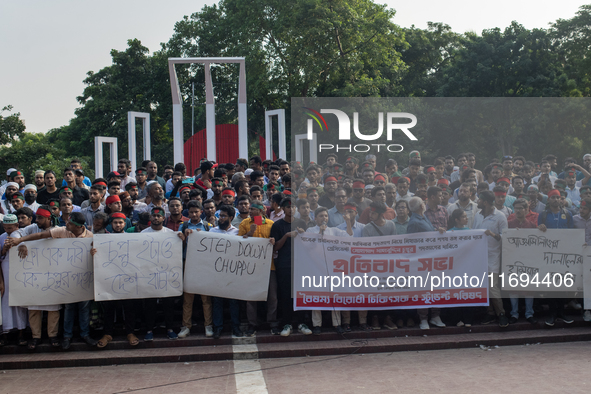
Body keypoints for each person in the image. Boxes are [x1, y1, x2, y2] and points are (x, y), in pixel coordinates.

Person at [8, 212, 97, 349]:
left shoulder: (90, 236)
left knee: (84, 308)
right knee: (68, 307)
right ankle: (67, 336)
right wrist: (20, 241)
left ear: (78, 226)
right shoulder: (61, 230)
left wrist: (94, 253)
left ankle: (85, 334)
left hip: (82, 278)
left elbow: (96, 254)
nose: (66, 224)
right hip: (63, 278)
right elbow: (40, 235)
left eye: (70, 223)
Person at [141, 207, 185, 341]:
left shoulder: (171, 233)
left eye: (158, 216)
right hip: (148, 273)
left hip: (167, 274)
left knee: (168, 303)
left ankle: (170, 329)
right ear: (150, 218)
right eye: (153, 216)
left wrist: (181, 239)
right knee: (149, 304)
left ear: (163, 218)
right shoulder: (142, 234)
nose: (156, 218)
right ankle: (149, 330)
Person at [270, 198, 313, 337]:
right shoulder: (277, 226)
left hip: (301, 263)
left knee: (300, 293)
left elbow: (309, 244)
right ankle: (286, 323)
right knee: (285, 295)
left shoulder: (301, 223)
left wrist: (303, 235)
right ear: (283, 209)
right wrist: (286, 236)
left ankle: (301, 322)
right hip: (284, 264)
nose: (291, 209)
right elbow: (275, 247)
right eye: (288, 207)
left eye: (293, 206)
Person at [406, 197, 446, 329]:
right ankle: (423, 318)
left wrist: (437, 231)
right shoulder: (414, 222)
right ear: (420, 206)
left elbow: (428, 234)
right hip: (421, 260)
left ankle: (435, 316)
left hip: (432, 258)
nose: (425, 204)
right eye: (423, 203)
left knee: (435, 288)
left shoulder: (424, 218)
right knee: (423, 290)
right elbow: (412, 242)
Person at [239, 202, 277, 336]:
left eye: (253, 209)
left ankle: (272, 322)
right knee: (251, 297)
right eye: (250, 209)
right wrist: (249, 233)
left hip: (269, 266)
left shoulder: (271, 224)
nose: (250, 211)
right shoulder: (245, 223)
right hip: (251, 266)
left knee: (272, 296)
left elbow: (276, 243)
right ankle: (252, 323)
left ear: (261, 211)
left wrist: (273, 242)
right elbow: (239, 243)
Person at [537, 189, 575, 327]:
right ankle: (552, 313)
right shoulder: (543, 215)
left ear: (561, 199)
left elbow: (572, 234)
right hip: (548, 254)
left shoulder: (568, 214)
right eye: (552, 197)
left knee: (563, 284)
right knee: (550, 284)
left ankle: (561, 312)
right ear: (548, 200)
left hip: (564, 255)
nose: (555, 200)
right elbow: (538, 233)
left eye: (557, 197)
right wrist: (539, 227)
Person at [473, 191, 510, 328]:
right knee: (483, 286)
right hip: (479, 255)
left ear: (485, 202)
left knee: (492, 286)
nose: (477, 201)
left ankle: (501, 313)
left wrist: (493, 234)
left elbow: (505, 237)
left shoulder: (500, 216)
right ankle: (490, 312)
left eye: (480, 199)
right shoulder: (477, 215)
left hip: (493, 255)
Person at [178, 201, 214, 338]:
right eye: (191, 212)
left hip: (204, 263)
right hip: (188, 262)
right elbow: (177, 246)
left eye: (196, 212)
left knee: (206, 298)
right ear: (188, 213)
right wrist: (183, 237)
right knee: (188, 298)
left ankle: (208, 325)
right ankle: (185, 326)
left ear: (201, 212)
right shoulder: (184, 226)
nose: (194, 214)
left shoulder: (207, 226)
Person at [209, 205, 244, 338]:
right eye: (220, 216)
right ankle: (218, 327)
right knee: (217, 301)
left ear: (230, 218)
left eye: (223, 216)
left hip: (233, 272)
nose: (221, 219)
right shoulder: (212, 232)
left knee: (234, 301)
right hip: (217, 272)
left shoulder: (237, 232)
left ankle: (236, 327)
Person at [506, 199, 537, 325]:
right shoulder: (508, 224)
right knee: (513, 287)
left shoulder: (532, 225)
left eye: (520, 208)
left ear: (526, 210)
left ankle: (529, 313)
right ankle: (514, 313)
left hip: (528, 259)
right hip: (512, 259)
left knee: (529, 287)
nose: (518, 210)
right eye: (516, 208)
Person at [0, 214, 28, 346]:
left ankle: (21, 333)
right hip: (6, 271)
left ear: (17, 226)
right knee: (6, 302)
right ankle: (5, 333)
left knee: (20, 303)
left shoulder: (23, 236)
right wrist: (4, 250)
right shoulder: (1, 237)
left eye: (10, 228)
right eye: (5, 228)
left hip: (20, 272)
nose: (8, 231)